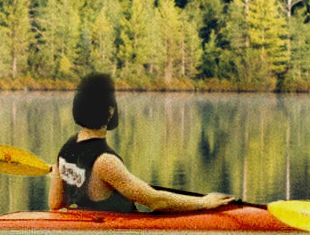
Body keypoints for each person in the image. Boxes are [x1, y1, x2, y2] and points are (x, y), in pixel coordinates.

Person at [49, 73, 233, 217]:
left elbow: (55, 204)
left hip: (87, 233)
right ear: (110, 111)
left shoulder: (66, 150)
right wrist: (203, 203)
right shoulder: (106, 162)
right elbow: (156, 202)